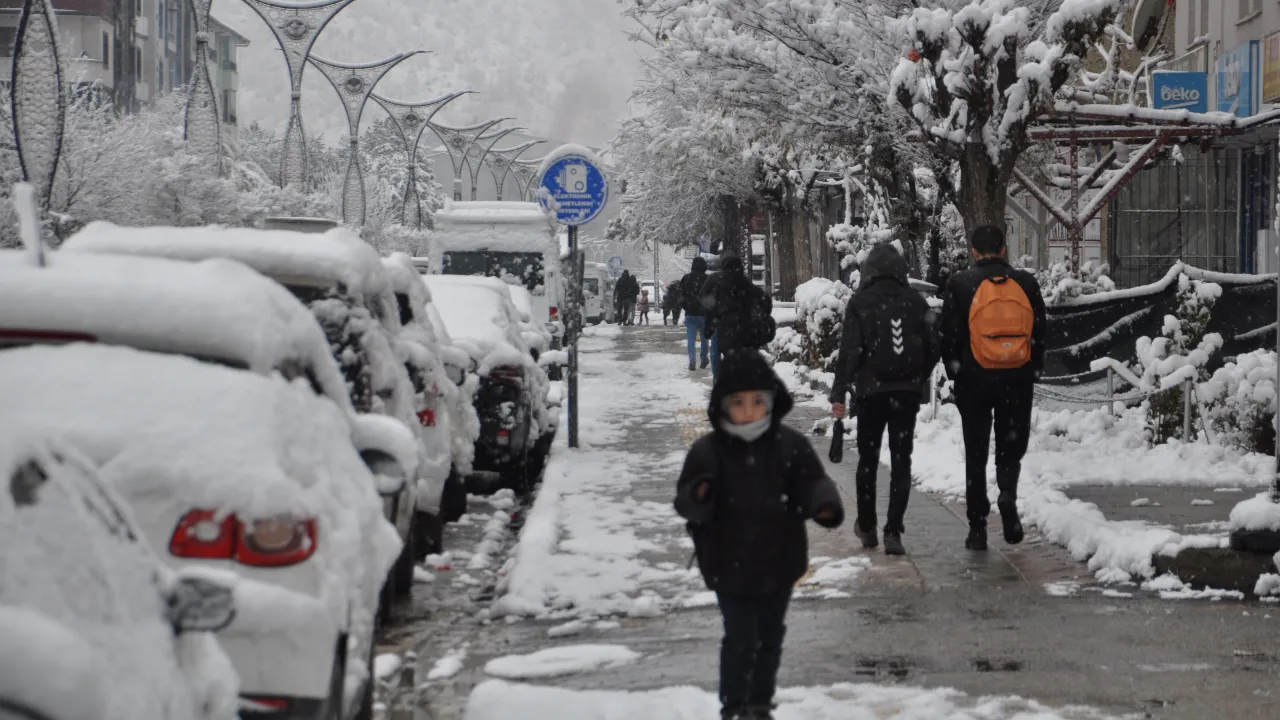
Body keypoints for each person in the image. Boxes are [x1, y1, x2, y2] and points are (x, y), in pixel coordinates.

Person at [674, 351, 844, 720]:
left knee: (769, 637)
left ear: (770, 401)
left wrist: (823, 503)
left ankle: (759, 703)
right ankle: (734, 705)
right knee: (741, 637)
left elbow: (811, 481)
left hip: (777, 561)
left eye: (757, 401)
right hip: (727, 562)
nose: (748, 411)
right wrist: (699, 495)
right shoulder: (709, 451)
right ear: (723, 405)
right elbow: (686, 500)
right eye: (738, 402)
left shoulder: (789, 445)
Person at [938, 225, 1047, 551]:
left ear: (973, 251)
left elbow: (949, 335)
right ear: (1003, 249)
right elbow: (1040, 329)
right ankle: (1008, 495)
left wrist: (955, 371)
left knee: (976, 449)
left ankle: (977, 525)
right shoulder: (1025, 283)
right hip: (1017, 377)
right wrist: (1034, 367)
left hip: (975, 379)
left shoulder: (960, 284)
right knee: (1010, 444)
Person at [829, 243, 939, 556]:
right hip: (905, 394)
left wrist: (840, 389)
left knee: (868, 460)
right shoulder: (916, 302)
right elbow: (934, 346)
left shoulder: (861, 302)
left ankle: (867, 525)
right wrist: (917, 378)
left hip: (871, 394)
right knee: (901, 460)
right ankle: (894, 530)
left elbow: (850, 351)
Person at [701, 253, 774, 378]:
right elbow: (765, 304)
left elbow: (711, 311)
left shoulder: (718, 289)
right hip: (748, 337)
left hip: (726, 336)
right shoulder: (749, 288)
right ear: (741, 268)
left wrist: (708, 330)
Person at [679, 257, 712, 371]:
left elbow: (682, 296)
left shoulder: (686, 278)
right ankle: (703, 358)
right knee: (704, 338)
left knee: (691, 339)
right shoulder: (708, 279)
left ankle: (692, 359)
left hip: (690, 313)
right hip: (704, 314)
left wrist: (687, 306)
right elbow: (711, 297)